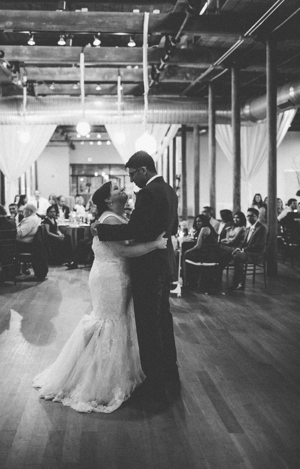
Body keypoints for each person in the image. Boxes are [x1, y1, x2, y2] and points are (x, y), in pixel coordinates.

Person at [33, 181, 167, 413]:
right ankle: (100, 382)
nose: (122, 189)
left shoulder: (115, 218)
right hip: (110, 276)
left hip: (117, 273)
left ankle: (110, 374)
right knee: (109, 322)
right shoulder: (110, 219)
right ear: (108, 199)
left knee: (115, 322)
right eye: (116, 188)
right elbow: (124, 251)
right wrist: (155, 244)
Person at [94, 151, 180, 400]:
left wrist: (100, 230)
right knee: (163, 319)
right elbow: (169, 228)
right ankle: (169, 374)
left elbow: (136, 229)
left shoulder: (149, 193)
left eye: (132, 174)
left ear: (143, 170)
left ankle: (155, 385)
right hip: (163, 264)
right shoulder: (168, 190)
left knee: (148, 326)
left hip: (149, 268)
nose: (131, 181)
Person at [227, 207, 267, 291]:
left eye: (251, 216)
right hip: (248, 252)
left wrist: (243, 250)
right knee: (232, 253)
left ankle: (238, 283)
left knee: (238, 256)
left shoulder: (262, 229)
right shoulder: (248, 228)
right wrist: (239, 248)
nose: (249, 218)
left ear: (257, 216)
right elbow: (243, 243)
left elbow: (258, 246)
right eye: (248, 216)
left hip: (257, 254)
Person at [182, 214, 219, 292]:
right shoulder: (210, 229)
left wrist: (187, 251)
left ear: (204, 221)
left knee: (185, 255)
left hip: (205, 256)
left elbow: (198, 246)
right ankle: (192, 280)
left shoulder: (204, 229)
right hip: (212, 256)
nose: (198, 223)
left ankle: (187, 282)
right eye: (196, 221)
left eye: (200, 221)